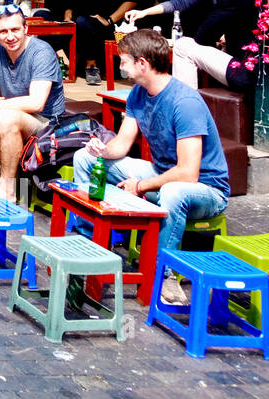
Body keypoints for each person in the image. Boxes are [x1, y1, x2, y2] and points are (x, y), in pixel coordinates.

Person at [73, 29, 229, 305]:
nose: (120, 66)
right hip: (161, 174)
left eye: (124, 61)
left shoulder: (185, 103)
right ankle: (89, 243)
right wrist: (102, 150)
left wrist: (141, 186)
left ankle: (164, 274)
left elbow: (188, 173)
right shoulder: (137, 94)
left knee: (174, 193)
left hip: (204, 189)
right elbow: (121, 145)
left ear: (142, 64)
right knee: (85, 159)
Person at [0, 5, 67, 201]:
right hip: (10, 113)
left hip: (46, 124)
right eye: (3, 31)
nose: (10, 36)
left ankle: (7, 189)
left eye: (15, 30)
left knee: (7, 117)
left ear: (26, 29)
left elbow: (36, 103)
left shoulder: (41, 52)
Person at [123, 0, 256, 91]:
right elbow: (183, 2)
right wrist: (144, 12)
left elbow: (202, 38)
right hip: (247, 65)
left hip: (243, 73)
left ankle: (186, 103)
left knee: (182, 45)